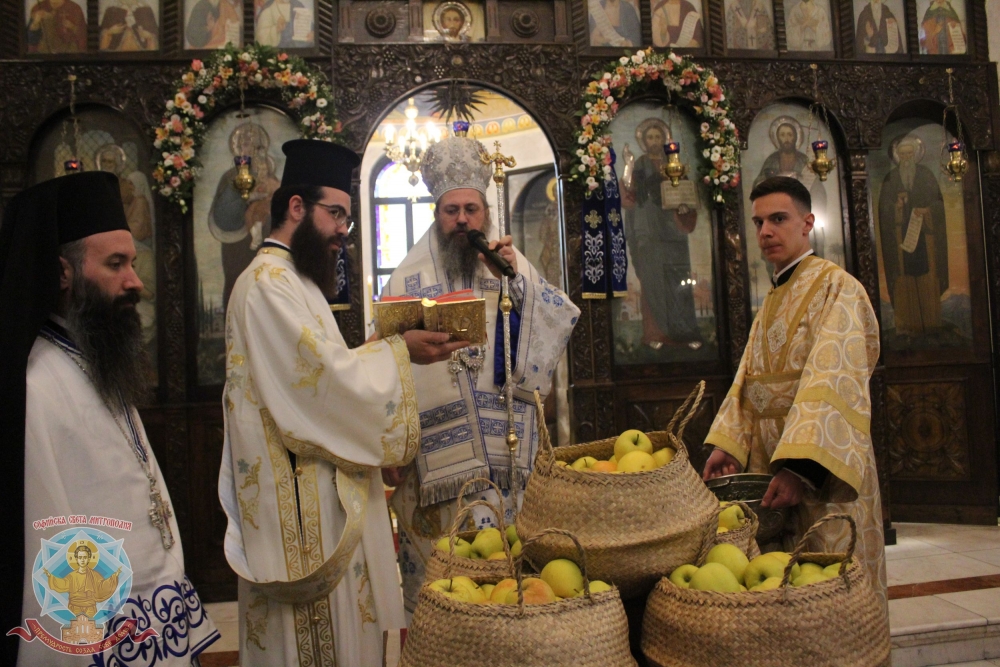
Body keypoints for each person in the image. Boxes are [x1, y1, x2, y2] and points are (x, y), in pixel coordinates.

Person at [219, 139, 466, 666]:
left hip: (322, 493)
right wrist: (400, 353)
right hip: (299, 509)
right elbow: (320, 382)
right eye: (335, 215)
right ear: (296, 208)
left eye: (347, 220)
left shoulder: (295, 281)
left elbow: (322, 373)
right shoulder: (266, 285)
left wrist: (387, 352)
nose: (341, 232)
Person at [1, 171, 219, 666]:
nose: (135, 281)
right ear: (63, 272)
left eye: (133, 263)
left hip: (151, 618)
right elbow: (43, 539)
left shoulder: (96, 361)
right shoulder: (37, 384)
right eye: (116, 264)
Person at [384, 127, 580, 616]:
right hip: (437, 465)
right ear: (438, 213)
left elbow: (558, 318)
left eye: (471, 210)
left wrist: (520, 286)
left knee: (507, 589)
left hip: (506, 455)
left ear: (486, 213)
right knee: (444, 593)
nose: (462, 220)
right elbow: (383, 361)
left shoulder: (509, 264)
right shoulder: (407, 278)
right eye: (452, 211)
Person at [703, 176, 887, 607]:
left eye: (778, 219)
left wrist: (801, 469)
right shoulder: (771, 300)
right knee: (781, 591)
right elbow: (747, 382)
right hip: (769, 466)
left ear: (807, 223)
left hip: (823, 471)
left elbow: (833, 378)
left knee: (830, 580)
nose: (765, 231)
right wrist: (729, 446)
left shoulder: (836, 287)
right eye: (758, 221)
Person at [621, 119, 703, 351]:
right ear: (644, 141)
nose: (655, 142)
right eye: (651, 138)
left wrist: (686, 206)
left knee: (680, 281)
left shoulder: (675, 165)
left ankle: (687, 333)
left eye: (658, 137)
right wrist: (628, 164)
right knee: (653, 281)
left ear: (665, 140)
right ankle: (655, 334)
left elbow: (686, 193)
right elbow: (630, 192)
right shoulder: (640, 164)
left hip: (673, 231)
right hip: (649, 230)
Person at [876, 135, 948, 336]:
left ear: (915, 155)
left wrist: (927, 211)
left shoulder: (926, 175)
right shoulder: (891, 179)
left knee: (927, 277)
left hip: (925, 238)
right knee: (904, 279)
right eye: (903, 154)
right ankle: (907, 325)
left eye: (909, 154)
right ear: (897, 156)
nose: (906, 158)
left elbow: (939, 204)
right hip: (900, 241)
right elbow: (883, 210)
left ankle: (932, 323)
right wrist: (896, 208)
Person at [754, 117, 827, 258]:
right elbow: (759, 183)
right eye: (782, 135)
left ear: (795, 137)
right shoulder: (772, 160)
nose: (786, 139)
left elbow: (817, 188)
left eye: (789, 134)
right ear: (777, 139)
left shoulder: (804, 161)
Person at [45, 545, 121, 618]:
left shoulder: (94, 575)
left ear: (88, 558)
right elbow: (63, 584)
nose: (82, 560)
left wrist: (114, 576)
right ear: (76, 559)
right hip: (74, 607)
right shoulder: (72, 576)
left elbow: (102, 586)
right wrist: (50, 576)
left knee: (90, 627)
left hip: (90, 608)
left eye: (85, 557)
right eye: (80, 557)